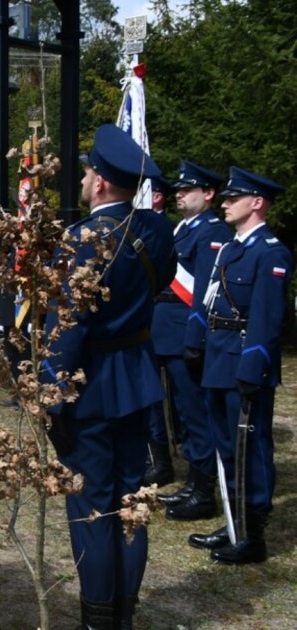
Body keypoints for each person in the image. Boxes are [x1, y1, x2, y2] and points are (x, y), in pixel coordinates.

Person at [41, 125, 175, 628]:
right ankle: (124, 612)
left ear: (99, 183)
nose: (82, 177)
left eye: (87, 171)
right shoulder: (156, 232)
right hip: (137, 377)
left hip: (90, 386)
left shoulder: (83, 240)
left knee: (93, 511)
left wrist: (50, 397)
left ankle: (99, 618)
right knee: (131, 502)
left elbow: (67, 328)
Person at [185, 166, 291, 565]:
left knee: (251, 446)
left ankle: (252, 532)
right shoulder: (231, 248)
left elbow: (267, 317)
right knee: (226, 445)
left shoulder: (271, 251)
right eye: (225, 197)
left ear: (257, 203)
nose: (225, 203)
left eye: (234, 197)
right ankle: (234, 522)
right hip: (218, 353)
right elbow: (210, 300)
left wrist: (254, 366)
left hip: (244, 361)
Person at [151, 161, 232, 521]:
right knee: (181, 411)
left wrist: (195, 336)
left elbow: (203, 292)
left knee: (196, 412)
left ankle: (204, 490)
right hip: (166, 331)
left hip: (185, 330)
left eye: (187, 190)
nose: (179, 195)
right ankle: (193, 481)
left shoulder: (212, 232)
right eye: (178, 190)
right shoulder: (184, 229)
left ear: (209, 194)